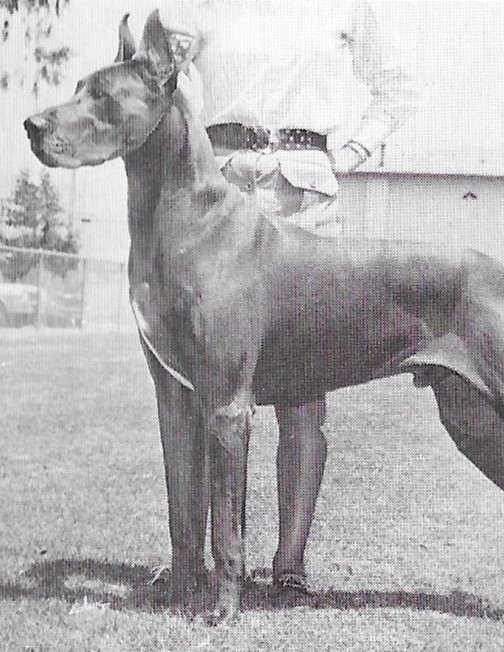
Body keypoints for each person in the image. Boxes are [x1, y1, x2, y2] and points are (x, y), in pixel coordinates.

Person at [158, 0, 416, 593]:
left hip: (304, 194)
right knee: (206, 390)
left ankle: (290, 565)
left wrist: (354, 150)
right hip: (219, 188)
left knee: (303, 395)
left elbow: (398, 86)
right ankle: (197, 562)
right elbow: (157, 73)